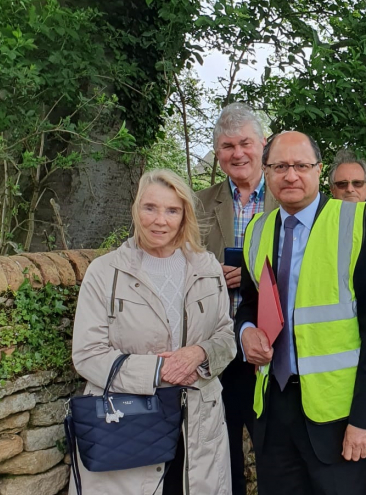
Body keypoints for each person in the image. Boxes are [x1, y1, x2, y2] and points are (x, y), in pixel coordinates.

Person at [235, 131, 366, 495]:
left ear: (319, 171)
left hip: (338, 419)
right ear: (266, 171)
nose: (290, 175)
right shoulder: (257, 231)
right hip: (274, 411)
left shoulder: (358, 223)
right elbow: (248, 302)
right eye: (279, 166)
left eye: (301, 166)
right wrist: (245, 331)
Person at [71, 169, 236, 495]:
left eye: (172, 210)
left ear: (184, 214)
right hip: (128, 426)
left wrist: (198, 354)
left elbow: (225, 336)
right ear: (136, 209)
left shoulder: (206, 268)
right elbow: (88, 354)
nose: (160, 220)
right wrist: (160, 370)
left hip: (198, 427)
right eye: (150, 208)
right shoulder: (105, 272)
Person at [195, 102, 278, 495]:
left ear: (263, 144)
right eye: (227, 146)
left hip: (270, 348)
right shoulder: (197, 204)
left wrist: (248, 278)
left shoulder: (288, 196)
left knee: (275, 452)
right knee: (220, 455)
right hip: (215, 348)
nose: (238, 153)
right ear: (217, 153)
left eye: (245, 142)